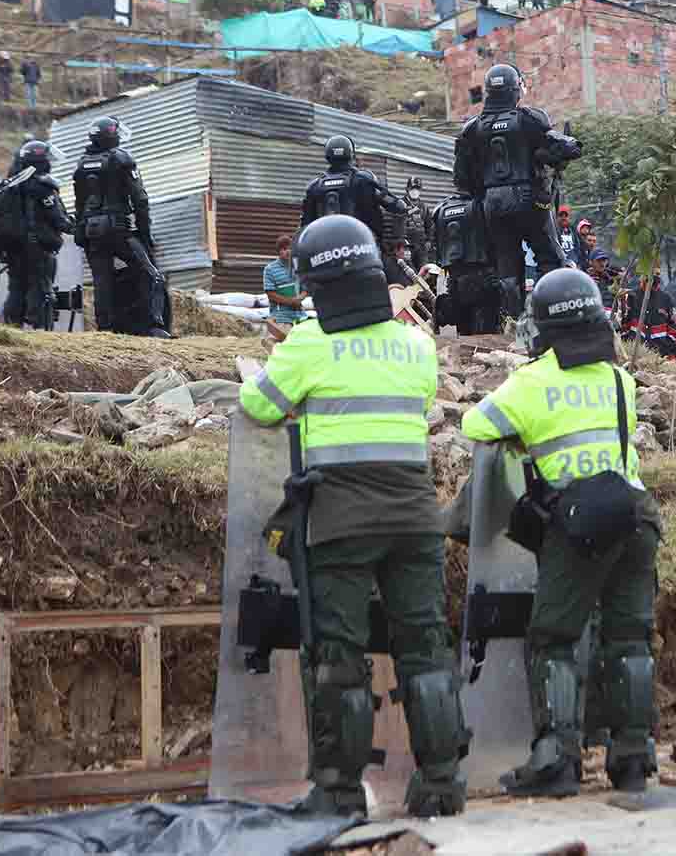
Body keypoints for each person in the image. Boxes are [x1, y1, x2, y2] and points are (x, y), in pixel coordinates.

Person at [239, 215, 469, 818]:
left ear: (315, 284)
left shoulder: (308, 343)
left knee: (338, 655)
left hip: (340, 520)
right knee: (425, 646)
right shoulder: (415, 345)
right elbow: (420, 405)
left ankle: (339, 792)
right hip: (415, 517)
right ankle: (442, 783)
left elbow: (258, 405)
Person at [462, 267, 662, 797]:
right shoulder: (619, 379)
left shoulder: (531, 382)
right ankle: (633, 758)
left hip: (580, 524)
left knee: (553, 638)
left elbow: (475, 425)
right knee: (629, 638)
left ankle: (556, 761)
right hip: (636, 514)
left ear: (544, 327)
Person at [454, 63, 581, 317]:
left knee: (507, 264)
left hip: (492, 204)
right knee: (550, 258)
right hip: (530, 199)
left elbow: (461, 179)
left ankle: (513, 321)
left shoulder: (472, 128)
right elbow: (560, 146)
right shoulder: (528, 118)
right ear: (516, 89)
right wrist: (571, 147)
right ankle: (553, 316)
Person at [72, 116, 169, 337]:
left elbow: (79, 203)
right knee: (151, 275)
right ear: (112, 135)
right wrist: (145, 233)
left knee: (102, 282)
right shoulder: (122, 159)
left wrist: (80, 230)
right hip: (118, 230)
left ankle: (105, 330)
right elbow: (140, 199)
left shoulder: (82, 163)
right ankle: (154, 325)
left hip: (91, 231)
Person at [0, 140, 69, 329]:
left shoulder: (11, 184)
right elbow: (57, 218)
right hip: (38, 246)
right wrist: (74, 227)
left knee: (16, 287)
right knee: (41, 287)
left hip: (13, 246)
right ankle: (40, 329)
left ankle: (12, 327)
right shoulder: (43, 185)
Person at [302, 135, 408, 261]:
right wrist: (402, 206)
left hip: (326, 253)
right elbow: (395, 204)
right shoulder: (363, 179)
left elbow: (305, 225)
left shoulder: (315, 186)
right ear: (351, 154)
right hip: (362, 249)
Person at [432, 193, 501, 336]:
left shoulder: (441, 209)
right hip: (484, 280)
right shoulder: (484, 204)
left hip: (456, 281)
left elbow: (437, 247)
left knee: (464, 335)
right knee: (485, 337)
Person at [624, 270, 676, 358]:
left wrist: (666, 348)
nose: (654, 276)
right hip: (633, 353)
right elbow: (624, 323)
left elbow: (674, 328)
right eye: (651, 273)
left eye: (657, 274)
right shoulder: (632, 296)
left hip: (659, 354)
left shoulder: (666, 298)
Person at [264, 234, 307, 326]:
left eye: (290, 248)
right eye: (284, 249)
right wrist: (290, 301)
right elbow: (271, 294)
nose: (288, 251)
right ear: (278, 251)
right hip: (280, 316)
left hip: (299, 314)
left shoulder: (298, 266)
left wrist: (300, 298)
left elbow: (305, 288)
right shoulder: (270, 269)